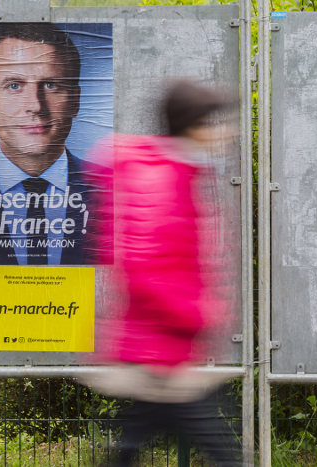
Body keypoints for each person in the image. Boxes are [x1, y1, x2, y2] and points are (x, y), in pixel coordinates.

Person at [79, 80, 240, 466]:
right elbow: (145, 266)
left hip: (166, 344)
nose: (227, 132)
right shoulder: (162, 180)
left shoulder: (181, 172)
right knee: (220, 450)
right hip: (162, 343)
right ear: (193, 125)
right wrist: (197, 313)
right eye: (217, 122)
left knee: (133, 444)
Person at [0, 23, 104, 265]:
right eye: (14, 86)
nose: (36, 105)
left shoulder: (112, 193)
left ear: (75, 101)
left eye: (51, 85)